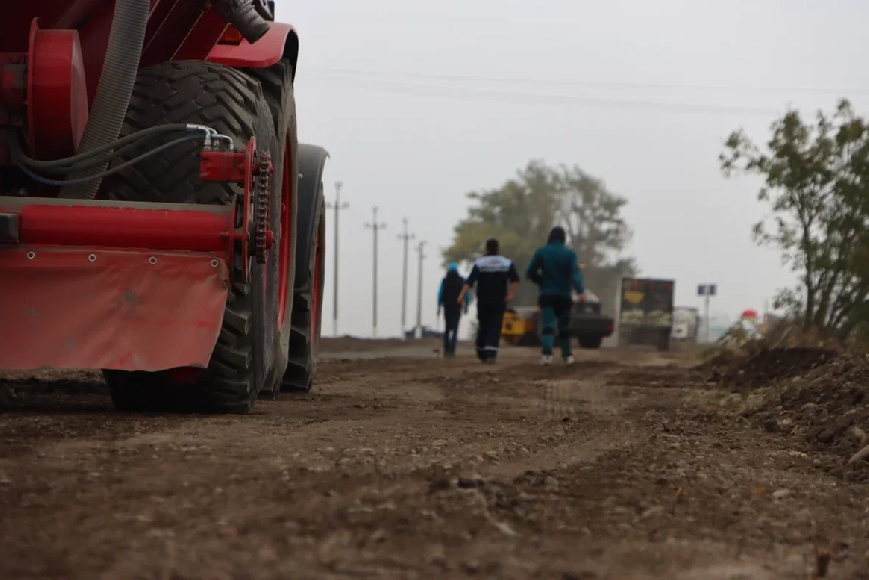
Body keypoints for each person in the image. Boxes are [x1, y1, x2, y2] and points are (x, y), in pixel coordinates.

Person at [526, 226, 585, 365]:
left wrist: (541, 281)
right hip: (564, 296)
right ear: (564, 238)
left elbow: (530, 272)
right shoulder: (570, 254)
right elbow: (575, 275)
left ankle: (547, 355)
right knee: (564, 327)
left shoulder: (541, 252)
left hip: (547, 294)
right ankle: (567, 356)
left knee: (548, 325)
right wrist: (580, 291)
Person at [457, 238, 520, 364]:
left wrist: (461, 295)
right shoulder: (506, 263)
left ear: (486, 249)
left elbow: (469, 282)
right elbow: (515, 279)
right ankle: (491, 353)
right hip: (499, 301)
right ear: (497, 248)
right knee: (495, 326)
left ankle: (481, 350)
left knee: (484, 325)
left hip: (483, 301)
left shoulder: (480, 263)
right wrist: (510, 294)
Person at [437, 263, 470, 357]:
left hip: (447, 306)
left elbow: (440, 294)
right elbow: (466, 294)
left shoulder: (444, 280)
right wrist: (466, 305)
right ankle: (452, 350)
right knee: (455, 328)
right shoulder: (462, 280)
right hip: (457, 306)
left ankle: (446, 350)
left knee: (447, 328)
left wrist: (438, 306)